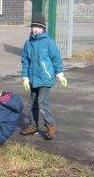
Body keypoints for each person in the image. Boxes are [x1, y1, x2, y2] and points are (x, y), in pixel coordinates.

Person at [20, 12, 67, 140]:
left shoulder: (49, 42)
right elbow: (25, 61)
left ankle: (50, 125)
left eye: (38, 27)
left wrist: (60, 74)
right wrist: (25, 77)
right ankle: (33, 125)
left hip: (45, 78)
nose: (35, 29)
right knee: (32, 103)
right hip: (33, 78)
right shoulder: (28, 43)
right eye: (33, 26)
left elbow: (56, 59)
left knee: (42, 101)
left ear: (43, 28)